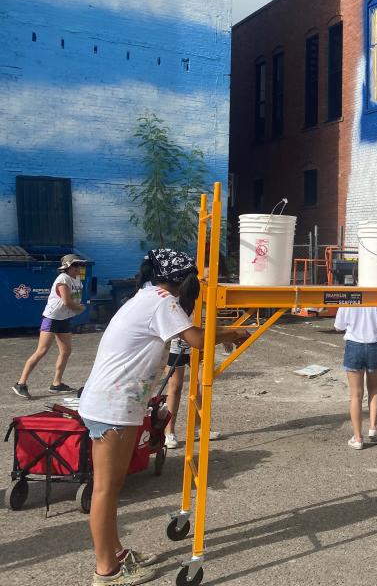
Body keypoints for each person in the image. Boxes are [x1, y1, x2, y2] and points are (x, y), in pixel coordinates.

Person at [78, 249, 247, 586]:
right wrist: (232, 332)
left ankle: (116, 554)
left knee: (109, 488)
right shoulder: (162, 302)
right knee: (106, 490)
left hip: (108, 402)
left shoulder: (146, 295)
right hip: (114, 406)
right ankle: (105, 571)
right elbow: (198, 339)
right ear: (182, 280)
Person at [13, 253, 87, 398]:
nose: (80, 267)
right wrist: (80, 308)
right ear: (69, 267)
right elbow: (67, 301)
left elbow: (74, 299)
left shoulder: (77, 278)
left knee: (66, 351)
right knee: (42, 350)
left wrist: (77, 307)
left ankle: (56, 384)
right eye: (77, 265)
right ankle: (21, 383)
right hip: (52, 318)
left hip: (65, 318)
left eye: (81, 264)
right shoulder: (62, 279)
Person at [333, 306, 377, 450]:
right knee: (374, 389)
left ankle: (358, 437)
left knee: (356, 395)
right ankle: (373, 427)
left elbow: (338, 327)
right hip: (375, 345)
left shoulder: (348, 299)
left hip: (354, 346)